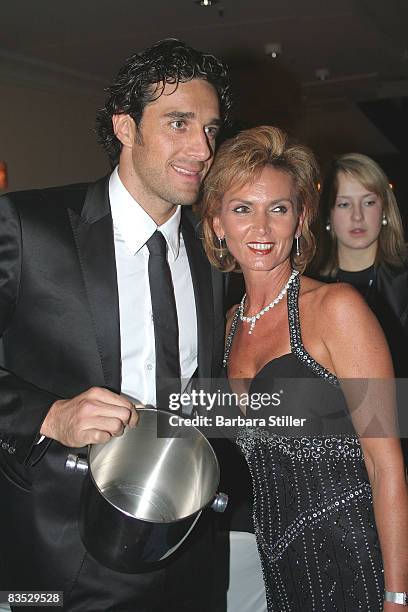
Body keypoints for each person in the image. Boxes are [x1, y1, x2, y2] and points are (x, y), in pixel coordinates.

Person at [0, 39, 231, 611]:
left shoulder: (215, 249)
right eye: (180, 123)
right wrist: (49, 415)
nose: (202, 148)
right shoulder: (29, 227)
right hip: (59, 550)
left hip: (188, 550)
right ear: (126, 127)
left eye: (210, 128)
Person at [200, 126, 408, 611]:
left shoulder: (337, 308)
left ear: (301, 218)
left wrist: (398, 595)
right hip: (279, 565)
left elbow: (386, 464)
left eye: (278, 208)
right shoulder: (228, 326)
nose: (261, 229)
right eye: (241, 209)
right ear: (216, 222)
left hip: (356, 556)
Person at [310, 152, 408, 463]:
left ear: (384, 210)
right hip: (331, 456)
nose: (357, 217)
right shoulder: (306, 290)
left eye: (368, 202)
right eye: (343, 204)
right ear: (327, 215)